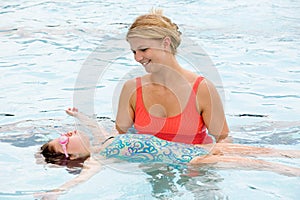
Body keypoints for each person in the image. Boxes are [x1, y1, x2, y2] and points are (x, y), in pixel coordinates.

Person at [36, 107, 300, 199]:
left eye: (65, 132)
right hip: (192, 159)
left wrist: (79, 116)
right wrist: (58, 192)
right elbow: (82, 179)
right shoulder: (97, 160)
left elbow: (92, 126)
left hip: (195, 148)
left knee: (264, 150)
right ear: (69, 156)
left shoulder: (104, 142)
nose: (68, 134)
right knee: (257, 164)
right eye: (62, 140)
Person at [115, 9, 229, 145]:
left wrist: (202, 159)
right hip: (149, 164)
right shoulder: (132, 89)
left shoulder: (202, 89)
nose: (138, 58)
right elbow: (120, 138)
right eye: (134, 52)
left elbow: (223, 141)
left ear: (165, 43)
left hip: (193, 164)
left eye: (144, 49)